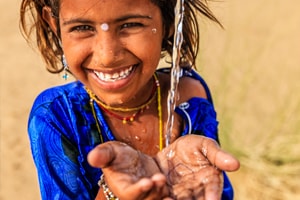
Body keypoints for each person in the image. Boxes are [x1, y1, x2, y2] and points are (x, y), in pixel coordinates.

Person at [20, 0, 240, 199]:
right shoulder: (57, 116)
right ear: (54, 23)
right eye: (82, 28)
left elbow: (213, 191)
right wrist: (113, 191)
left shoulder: (189, 96)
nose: (107, 55)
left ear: (171, 18)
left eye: (130, 25)